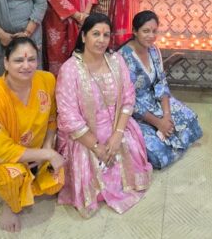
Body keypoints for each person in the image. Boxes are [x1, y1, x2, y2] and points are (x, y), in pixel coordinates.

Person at [0, 37, 65, 233]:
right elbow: (1, 150)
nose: (26, 66)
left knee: (58, 179)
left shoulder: (46, 80)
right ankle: (10, 205)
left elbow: (52, 117)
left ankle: (33, 176)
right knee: (13, 176)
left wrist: (47, 146)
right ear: (6, 62)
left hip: (37, 148)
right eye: (19, 60)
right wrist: (47, 154)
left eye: (31, 59)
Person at [56, 13, 152, 217]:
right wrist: (97, 147)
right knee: (94, 166)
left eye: (106, 35)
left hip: (117, 125)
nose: (101, 40)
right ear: (83, 37)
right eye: (96, 34)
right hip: (84, 134)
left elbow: (128, 97)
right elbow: (68, 115)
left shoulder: (116, 60)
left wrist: (118, 134)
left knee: (127, 147)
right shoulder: (70, 69)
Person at [119, 11, 202, 169]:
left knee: (190, 118)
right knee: (156, 151)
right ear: (135, 31)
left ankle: (170, 134)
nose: (151, 36)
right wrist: (158, 123)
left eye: (154, 31)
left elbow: (161, 82)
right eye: (146, 31)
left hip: (155, 99)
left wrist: (167, 115)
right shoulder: (123, 57)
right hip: (134, 110)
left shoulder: (153, 50)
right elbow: (128, 99)